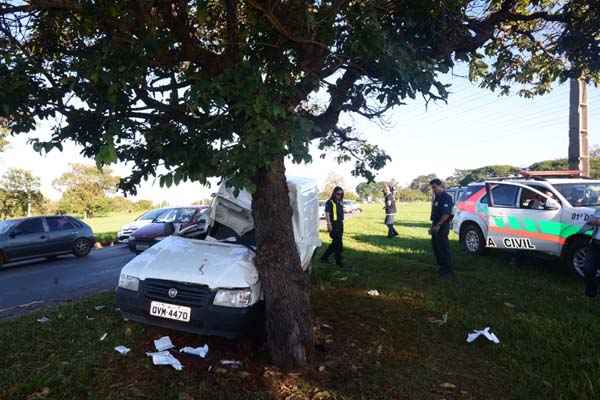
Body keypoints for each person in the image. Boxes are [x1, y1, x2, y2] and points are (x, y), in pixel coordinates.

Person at [429, 178, 454, 278]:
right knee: (436, 247)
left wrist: (438, 225)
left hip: (442, 226)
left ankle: (447, 270)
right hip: (436, 225)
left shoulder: (446, 197)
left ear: (440, 186)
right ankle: (441, 267)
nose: (433, 190)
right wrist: (433, 227)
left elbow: (446, 214)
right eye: (432, 188)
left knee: (443, 247)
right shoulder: (437, 197)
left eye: (434, 187)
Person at [320, 186, 346, 268]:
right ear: (334, 193)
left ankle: (324, 257)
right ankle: (338, 261)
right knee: (337, 243)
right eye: (338, 194)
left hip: (340, 224)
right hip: (333, 225)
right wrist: (329, 224)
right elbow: (327, 213)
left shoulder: (340, 202)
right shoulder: (329, 202)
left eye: (341, 194)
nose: (339, 196)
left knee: (336, 243)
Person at [583, 210, 600, 297]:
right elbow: (590, 221)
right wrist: (596, 221)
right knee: (588, 268)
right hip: (596, 242)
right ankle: (591, 292)